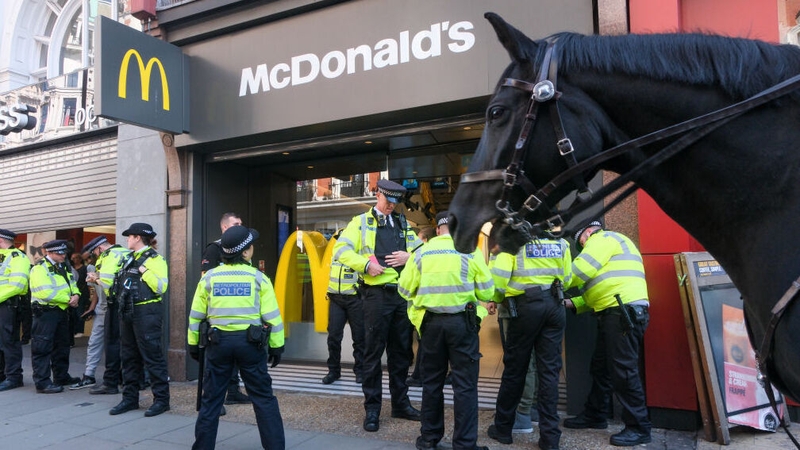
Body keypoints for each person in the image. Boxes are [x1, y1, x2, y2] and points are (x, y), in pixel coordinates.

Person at [399, 211, 494, 450]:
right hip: (462, 324)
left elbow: (404, 290)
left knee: (432, 384)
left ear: (438, 229)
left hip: (431, 326)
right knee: (465, 387)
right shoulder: (469, 251)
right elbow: (487, 292)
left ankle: (429, 440)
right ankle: (464, 445)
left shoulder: (420, 252)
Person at [333, 179, 422, 432]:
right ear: (378, 195)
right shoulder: (360, 222)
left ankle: (400, 404)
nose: (391, 206)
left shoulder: (403, 223)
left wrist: (411, 256)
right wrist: (365, 265)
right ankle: (372, 409)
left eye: (395, 202)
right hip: (375, 296)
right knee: (372, 354)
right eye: (387, 200)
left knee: (401, 353)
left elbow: (422, 252)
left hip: (400, 296)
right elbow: (340, 251)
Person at [188, 225, 285, 450]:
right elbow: (272, 317)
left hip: (217, 344)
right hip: (251, 345)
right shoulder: (259, 278)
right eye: (251, 246)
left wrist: (193, 344)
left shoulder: (209, 278)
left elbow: (196, 316)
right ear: (245, 252)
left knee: (211, 401)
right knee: (263, 399)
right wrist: (277, 346)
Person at [563, 221, 652, 447]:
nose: (581, 245)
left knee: (624, 370)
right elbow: (599, 289)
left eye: (580, 240)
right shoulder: (612, 244)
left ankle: (639, 427)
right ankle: (595, 415)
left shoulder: (602, 239)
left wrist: (551, 281)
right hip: (616, 311)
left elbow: (578, 272)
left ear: (589, 231)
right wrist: (573, 303)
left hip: (622, 313)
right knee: (601, 367)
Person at [486, 232, 573, 450]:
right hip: (555, 305)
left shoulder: (512, 239)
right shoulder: (560, 242)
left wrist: (495, 299)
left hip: (525, 308)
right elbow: (568, 278)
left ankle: (503, 429)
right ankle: (550, 438)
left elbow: (498, 280)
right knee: (550, 373)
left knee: (515, 369)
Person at [109, 223, 170, 417]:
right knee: (128, 356)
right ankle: (130, 399)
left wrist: (145, 270)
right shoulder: (128, 259)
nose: (127, 240)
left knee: (152, 357)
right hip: (128, 311)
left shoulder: (155, 259)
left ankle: (161, 400)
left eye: (129, 237)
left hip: (147, 311)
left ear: (137, 238)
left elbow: (161, 287)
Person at [201, 212, 251, 405]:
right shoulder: (214, 249)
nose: (240, 226)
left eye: (241, 223)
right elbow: (205, 280)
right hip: (218, 314)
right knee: (214, 364)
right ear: (224, 227)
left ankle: (233, 392)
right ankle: (214, 400)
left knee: (234, 360)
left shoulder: (242, 250)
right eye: (236, 224)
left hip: (238, 312)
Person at [29, 239, 81, 393]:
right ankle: (42, 382)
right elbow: (45, 292)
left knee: (62, 346)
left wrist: (76, 295)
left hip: (61, 311)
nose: (64, 255)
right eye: (60, 253)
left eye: (64, 252)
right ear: (49, 252)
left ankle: (61, 376)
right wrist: (68, 300)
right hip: (45, 313)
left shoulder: (63, 266)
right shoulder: (40, 268)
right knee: (42, 347)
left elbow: (72, 284)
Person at [85, 235, 131, 395]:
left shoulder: (110, 256)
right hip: (129, 304)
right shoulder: (125, 252)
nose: (96, 256)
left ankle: (110, 382)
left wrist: (96, 278)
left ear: (100, 248)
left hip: (115, 303)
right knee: (127, 343)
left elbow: (109, 282)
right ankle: (124, 378)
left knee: (112, 343)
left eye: (95, 252)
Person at [323, 228, 365, 385]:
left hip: (355, 300)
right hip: (336, 300)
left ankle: (360, 371)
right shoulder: (335, 255)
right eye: (339, 238)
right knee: (333, 337)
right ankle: (334, 371)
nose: (340, 241)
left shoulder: (360, 254)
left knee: (360, 338)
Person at [0, 228, 31, 392]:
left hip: (9, 305)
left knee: (9, 342)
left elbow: (17, 285)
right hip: (2, 304)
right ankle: (2, 375)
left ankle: (14, 377)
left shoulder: (18, 257)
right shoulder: (3, 256)